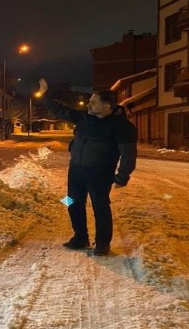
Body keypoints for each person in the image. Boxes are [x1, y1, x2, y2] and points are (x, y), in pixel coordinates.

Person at [39, 79, 137, 256]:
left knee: (100, 207)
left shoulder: (122, 127)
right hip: (76, 169)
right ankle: (80, 237)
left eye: (93, 102)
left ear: (107, 106)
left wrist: (122, 176)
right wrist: (46, 95)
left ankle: (102, 243)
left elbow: (128, 154)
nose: (88, 104)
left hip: (100, 173)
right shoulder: (84, 117)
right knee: (71, 202)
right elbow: (61, 111)